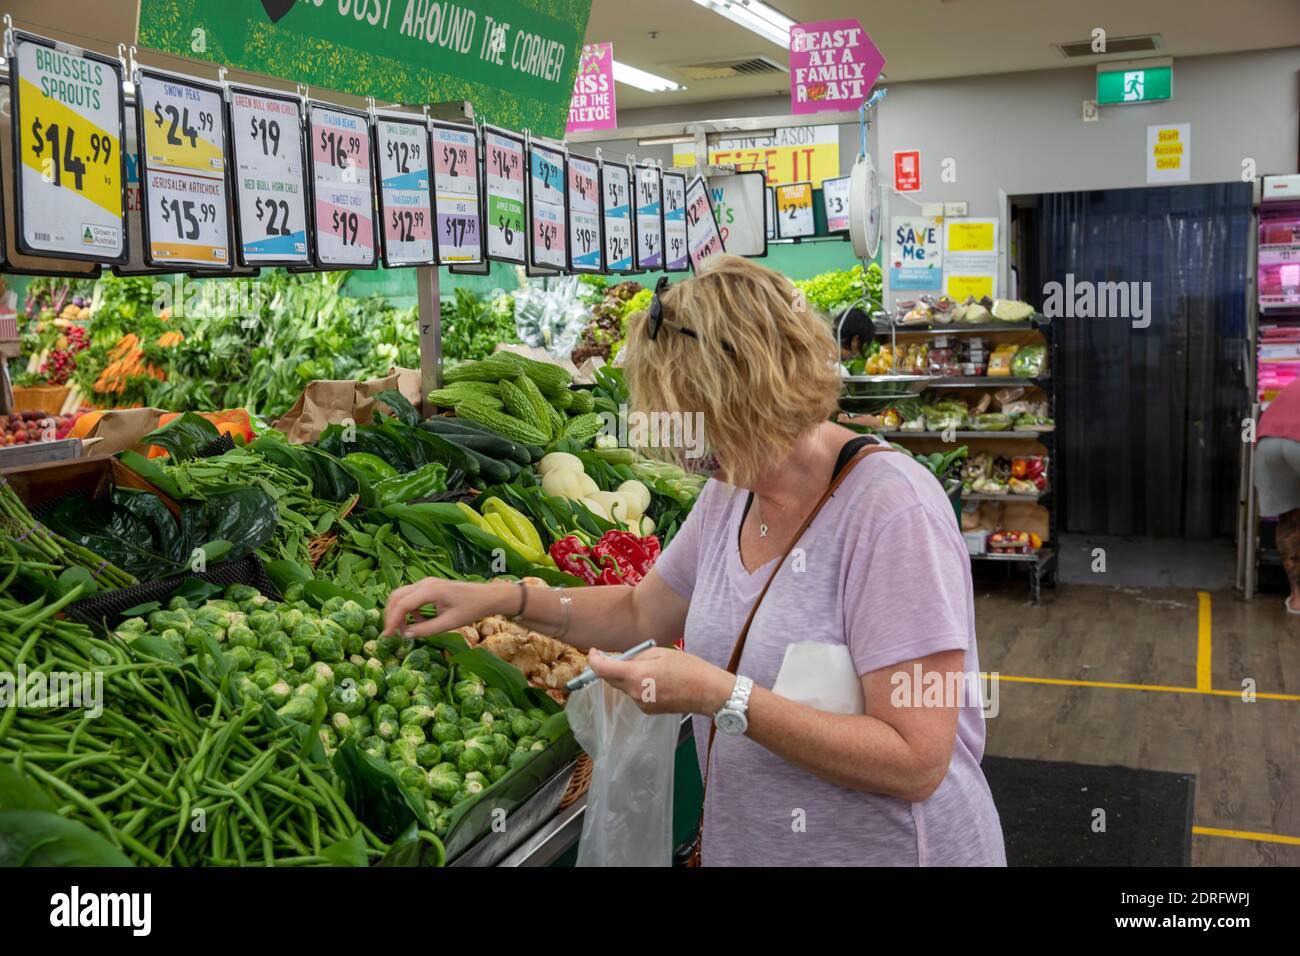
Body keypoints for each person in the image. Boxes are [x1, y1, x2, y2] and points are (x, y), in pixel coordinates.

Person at [384, 255, 1005, 866]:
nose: (682, 447)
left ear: (754, 391)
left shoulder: (893, 513)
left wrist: (721, 696)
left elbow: (917, 759)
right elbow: (637, 610)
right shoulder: (731, 494)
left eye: (694, 419)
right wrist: (507, 601)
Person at [1256, 376, 1300, 614]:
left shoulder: (1290, 385)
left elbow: (1248, 424)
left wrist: (1249, 445)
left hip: (1267, 445)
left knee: (1289, 518)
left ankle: (1296, 598)